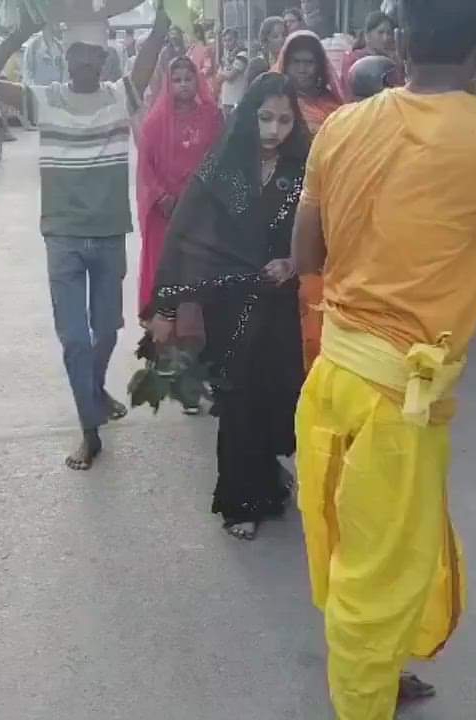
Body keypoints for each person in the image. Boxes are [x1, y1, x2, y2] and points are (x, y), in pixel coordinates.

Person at [291, 0, 476, 716]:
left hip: (333, 376)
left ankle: (378, 670)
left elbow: (304, 257)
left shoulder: (340, 127)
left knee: (357, 543)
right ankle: (363, 699)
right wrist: (472, 227)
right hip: (396, 403)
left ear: (400, 42)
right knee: (378, 573)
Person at [0, 10, 170, 470]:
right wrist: (20, 30)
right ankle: (89, 430)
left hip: (107, 236)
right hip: (62, 237)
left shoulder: (122, 95)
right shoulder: (44, 100)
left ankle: (95, 390)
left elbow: (155, 40)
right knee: (75, 339)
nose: (86, 61)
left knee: (105, 333)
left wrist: (163, 20)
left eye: (94, 54)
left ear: (105, 60)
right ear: (65, 59)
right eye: (77, 53)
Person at [149, 72, 309, 540]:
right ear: (248, 117)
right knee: (238, 395)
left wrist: (293, 262)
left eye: (284, 120)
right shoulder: (223, 170)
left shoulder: (301, 172)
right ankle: (240, 499)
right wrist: (167, 305)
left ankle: (266, 478)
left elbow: (322, 232)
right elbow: (184, 236)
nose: (274, 130)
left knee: (274, 391)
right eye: (264, 118)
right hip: (231, 302)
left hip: (279, 301)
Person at [135, 55, 224, 415]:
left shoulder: (213, 118)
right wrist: (163, 199)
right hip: (168, 221)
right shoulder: (156, 122)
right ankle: (186, 386)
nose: (184, 85)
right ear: (168, 84)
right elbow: (146, 169)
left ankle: (208, 373)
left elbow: (222, 161)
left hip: (203, 220)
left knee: (203, 302)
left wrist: (204, 200)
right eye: (178, 80)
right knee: (173, 302)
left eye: (189, 78)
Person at [276, 30, 345, 374]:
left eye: (309, 63)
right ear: (285, 66)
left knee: (322, 288)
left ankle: (321, 364)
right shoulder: (275, 106)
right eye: (296, 63)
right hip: (283, 208)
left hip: (329, 209)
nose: (303, 70)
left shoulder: (335, 107)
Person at [340, 11, 403, 97]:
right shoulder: (353, 59)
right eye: (380, 33)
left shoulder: (393, 61)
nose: (386, 38)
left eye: (389, 33)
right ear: (367, 36)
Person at [245, 16, 286, 86]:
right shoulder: (257, 64)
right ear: (266, 40)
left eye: (284, 35)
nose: (282, 40)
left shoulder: (292, 62)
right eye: (275, 36)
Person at [217, 27, 249, 114]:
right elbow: (218, 78)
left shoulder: (242, 55)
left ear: (236, 40)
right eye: (224, 41)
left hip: (237, 100)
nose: (227, 43)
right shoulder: (226, 57)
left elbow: (231, 76)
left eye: (229, 40)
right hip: (226, 100)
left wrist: (222, 74)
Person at [187, 24, 216, 93]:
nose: (187, 36)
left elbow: (207, 68)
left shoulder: (206, 49)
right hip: (193, 85)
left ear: (198, 34)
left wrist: (196, 75)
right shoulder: (190, 49)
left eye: (190, 33)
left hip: (204, 85)